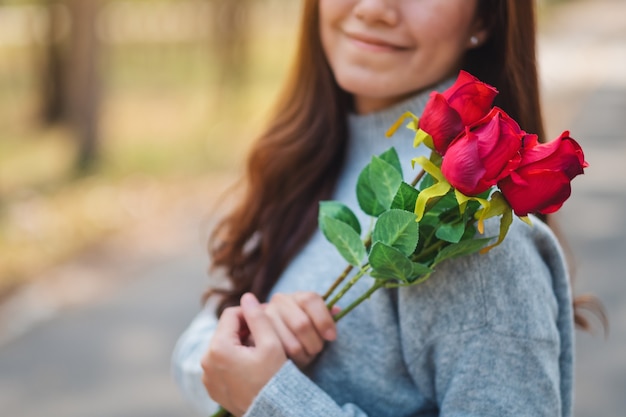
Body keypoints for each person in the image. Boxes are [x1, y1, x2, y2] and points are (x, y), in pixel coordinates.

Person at [172, 1, 585, 416]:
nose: (373, 9)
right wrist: (249, 343)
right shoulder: (305, 158)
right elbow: (202, 350)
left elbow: (247, 388)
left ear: (484, 17)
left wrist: (274, 398)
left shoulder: (468, 232)